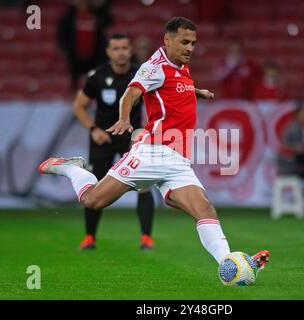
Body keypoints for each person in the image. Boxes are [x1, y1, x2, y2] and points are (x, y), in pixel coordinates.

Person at [39, 17, 269, 274]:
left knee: (204, 207)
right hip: (152, 153)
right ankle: (70, 167)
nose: (190, 48)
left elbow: (173, 90)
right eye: (184, 42)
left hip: (178, 161)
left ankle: (229, 266)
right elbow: (132, 92)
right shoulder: (154, 67)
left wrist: (196, 91)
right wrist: (125, 118)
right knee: (93, 201)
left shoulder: (181, 66)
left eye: (193, 43)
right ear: (167, 40)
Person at [72, 34, 155, 251]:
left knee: (144, 186)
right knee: (95, 186)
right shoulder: (97, 77)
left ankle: (146, 238)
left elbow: (158, 98)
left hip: (131, 138)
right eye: (116, 48)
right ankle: (90, 237)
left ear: (130, 50)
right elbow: (79, 106)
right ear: (108, 52)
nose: (121, 52)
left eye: (125, 47)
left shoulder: (142, 74)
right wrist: (93, 129)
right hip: (103, 137)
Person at [57, 0, 112, 90]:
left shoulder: (97, 14)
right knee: (75, 82)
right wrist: (64, 47)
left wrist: (100, 7)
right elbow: (63, 33)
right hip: (75, 56)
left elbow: (108, 22)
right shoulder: (69, 16)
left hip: (95, 55)